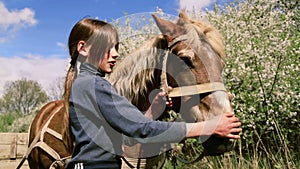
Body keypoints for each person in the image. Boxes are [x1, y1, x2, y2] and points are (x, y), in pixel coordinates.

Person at [64, 17, 242, 169]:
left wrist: (152, 112)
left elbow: (127, 133)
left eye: (116, 48)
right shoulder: (94, 85)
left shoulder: (87, 83)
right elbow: (141, 129)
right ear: (83, 48)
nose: (116, 54)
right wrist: (208, 127)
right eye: (108, 48)